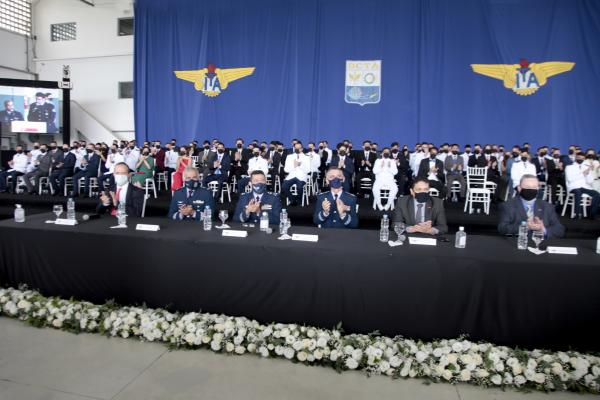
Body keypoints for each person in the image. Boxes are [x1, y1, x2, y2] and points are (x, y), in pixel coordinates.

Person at [498, 175, 565, 238]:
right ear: (519, 188)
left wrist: (543, 229)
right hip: (517, 243)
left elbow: (560, 230)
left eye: (534, 187)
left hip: (542, 244)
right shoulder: (508, 206)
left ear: (538, 188)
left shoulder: (547, 207)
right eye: (527, 187)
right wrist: (525, 227)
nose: (531, 190)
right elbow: (502, 228)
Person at [565, 152, 600, 219]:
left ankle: (592, 214)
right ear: (576, 158)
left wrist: (589, 173)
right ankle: (577, 214)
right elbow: (570, 179)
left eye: (582, 158)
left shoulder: (586, 167)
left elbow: (590, 181)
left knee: (596, 194)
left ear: (584, 159)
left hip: (584, 187)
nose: (580, 159)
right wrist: (583, 174)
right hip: (574, 187)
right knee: (578, 192)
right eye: (579, 158)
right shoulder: (569, 167)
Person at [282, 141, 311, 205]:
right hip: (291, 176)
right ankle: (292, 200)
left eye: (299, 148)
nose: (297, 149)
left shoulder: (306, 157)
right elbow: (286, 169)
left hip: (301, 176)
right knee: (284, 186)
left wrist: (300, 165)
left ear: (302, 149)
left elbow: (308, 170)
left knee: (299, 187)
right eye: (296, 148)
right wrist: (294, 166)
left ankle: (299, 200)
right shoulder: (289, 157)